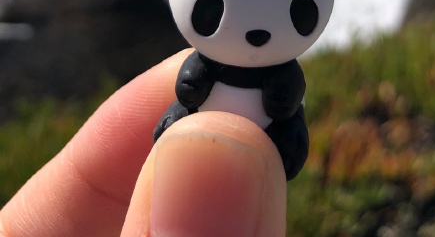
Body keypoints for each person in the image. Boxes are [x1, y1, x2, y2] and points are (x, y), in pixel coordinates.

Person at [0, 51, 287, 237]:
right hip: (231, 135)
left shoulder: (278, 68)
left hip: (250, 136)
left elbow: (289, 94)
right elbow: (188, 85)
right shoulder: (208, 61)